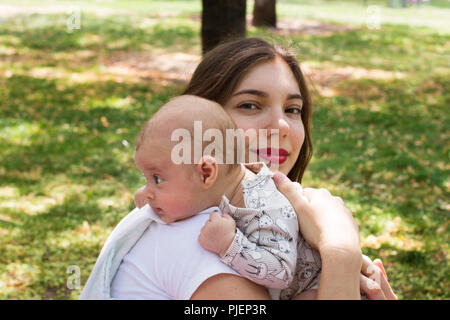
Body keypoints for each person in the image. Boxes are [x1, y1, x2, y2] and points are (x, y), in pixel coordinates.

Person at [106, 37, 397, 300]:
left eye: (292, 109)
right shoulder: (196, 237)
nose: (281, 125)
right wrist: (340, 251)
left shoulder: (244, 211)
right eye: (250, 105)